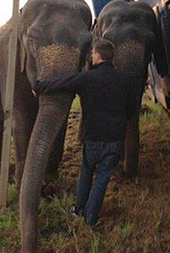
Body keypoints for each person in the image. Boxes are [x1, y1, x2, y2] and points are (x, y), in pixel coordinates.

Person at [32, 38, 138, 227]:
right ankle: (91, 218)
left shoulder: (87, 78)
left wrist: (39, 87)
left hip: (93, 139)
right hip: (115, 140)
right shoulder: (124, 81)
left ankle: (79, 210)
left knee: (86, 173)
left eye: (92, 53)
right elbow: (131, 112)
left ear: (97, 55)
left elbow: (62, 83)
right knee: (102, 179)